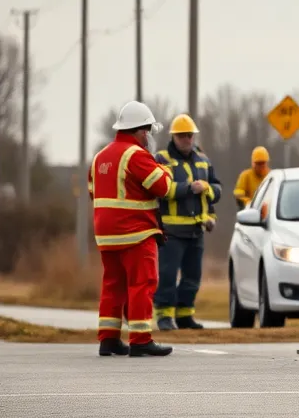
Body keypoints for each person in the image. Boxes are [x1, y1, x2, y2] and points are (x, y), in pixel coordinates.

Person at [89, 101, 175, 358]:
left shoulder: (99, 157)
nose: (148, 136)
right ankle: (140, 339)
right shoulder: (136, 155)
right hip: (136, 232)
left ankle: (109, 339)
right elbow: (163, 187)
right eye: (147, 131)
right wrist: (165, 170)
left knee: (112, 285)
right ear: (140, 131)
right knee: (142, 283)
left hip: (106, 235)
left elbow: (94, 193)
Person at [153, 114, 222, 331]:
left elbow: (216, 190)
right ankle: (164, 316)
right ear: (174, 136)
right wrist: (188, 188)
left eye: (189, 135)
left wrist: (211, 214)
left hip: (196, 230)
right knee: (167, 275)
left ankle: (185, 316)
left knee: (193, 277)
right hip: (171, 231)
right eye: (182, 135)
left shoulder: (203, 159)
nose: (186, 139)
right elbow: (160, 190)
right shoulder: (162, 159)